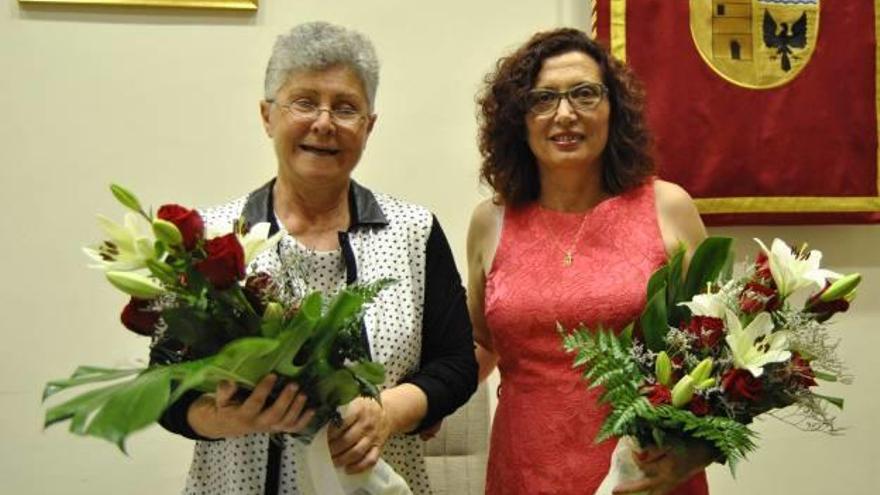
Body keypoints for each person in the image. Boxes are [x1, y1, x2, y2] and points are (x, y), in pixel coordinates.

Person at [151, 21, 478, 495]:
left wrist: (386, 412)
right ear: (267, 116)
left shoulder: (414, 231)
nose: (324, 123)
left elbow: (456, 364)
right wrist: (221, 418)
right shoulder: (213, 237)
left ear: (369, 126)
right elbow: (162, 381)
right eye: (304, 102)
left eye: (346, 108)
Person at [467, 28, 713, 494]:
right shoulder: (489, 223)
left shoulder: (667, 207)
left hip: (645, 476)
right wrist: (416, 400)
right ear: (519, 118)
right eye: (543, 99)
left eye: (584, 94)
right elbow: (481, 344)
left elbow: (720, 354)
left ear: (613, 109)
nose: (565, 114)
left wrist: (698, 450)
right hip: (525, 471)